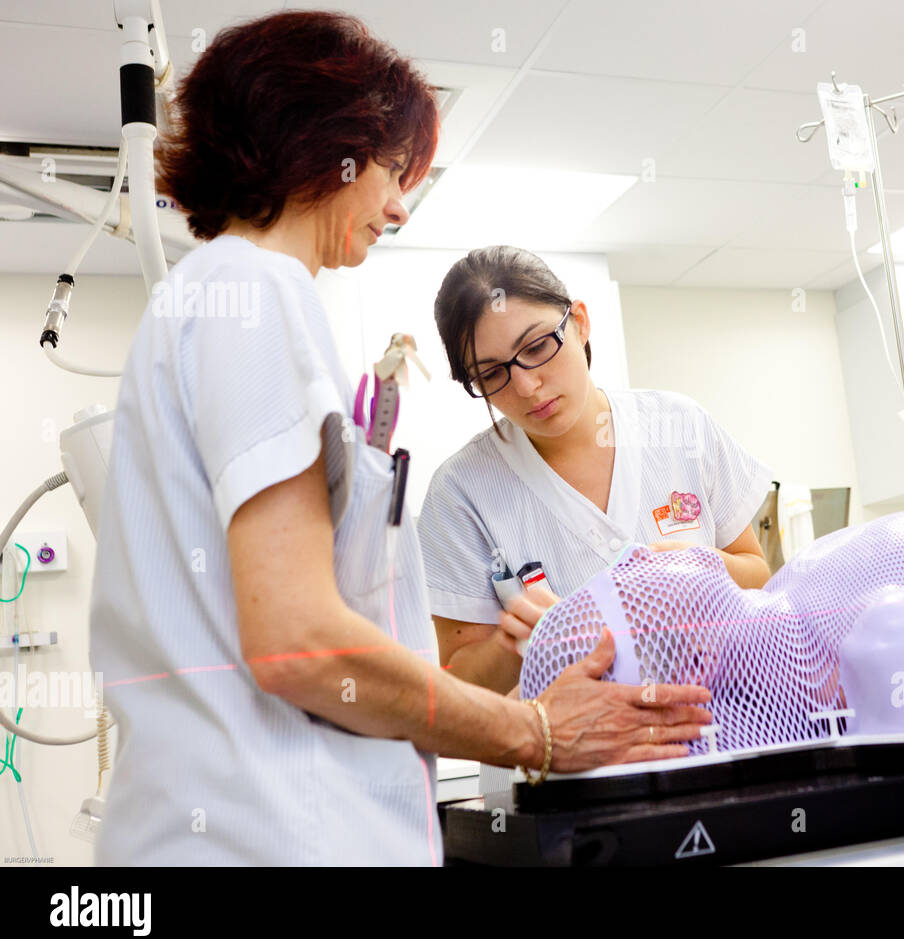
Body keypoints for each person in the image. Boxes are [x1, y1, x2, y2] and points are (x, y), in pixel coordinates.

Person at [88, 11, 711, 866]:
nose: (399, 204)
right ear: (321, 142)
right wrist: (533, 730)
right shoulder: (252, 289)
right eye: (388, 168)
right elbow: (301, 643)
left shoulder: (214, 300)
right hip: (266, 838)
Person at [419, 246, 774, 695]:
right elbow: (459, 682)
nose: (527, 386)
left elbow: (759, 575)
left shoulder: (678, 425)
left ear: (580, 323)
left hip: (714, 733)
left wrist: (696, 571)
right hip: (561, 759)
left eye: (537, 346)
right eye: (491, 374)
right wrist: (521, 640)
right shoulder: (460, 493)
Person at [516, 503, 904, 750]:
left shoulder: (789, 626)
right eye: (627, 587)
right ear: (693, 665)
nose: (637, 557)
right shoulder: (882, 634)